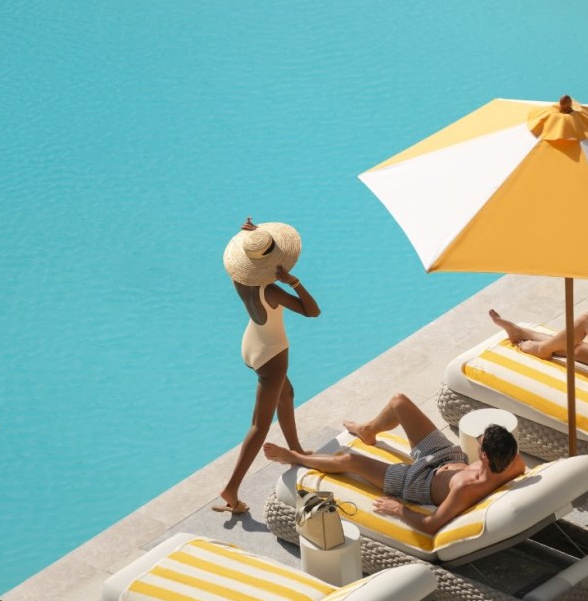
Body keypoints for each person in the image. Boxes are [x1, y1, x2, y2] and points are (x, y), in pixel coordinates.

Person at [264, 393, 525, 535]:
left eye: (480, 444)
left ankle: (295, 457)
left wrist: (398, 509)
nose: (477, 441)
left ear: (486, 457)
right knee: (399, 402)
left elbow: (430, 525)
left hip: (417, 481)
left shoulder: (465, 489)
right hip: (448, 457)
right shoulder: (514, 462)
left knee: (351, 460)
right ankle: (368, 429)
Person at [214, 217, 320, 515]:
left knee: (286, 394)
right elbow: (312, 312)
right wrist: (294, 282)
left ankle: (296, 450)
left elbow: (252, 258)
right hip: (272, 354)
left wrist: (250, 235)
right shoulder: (271, 290)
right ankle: (231, 488)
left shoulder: (241, 281)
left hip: (251, 344)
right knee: (259, 426)